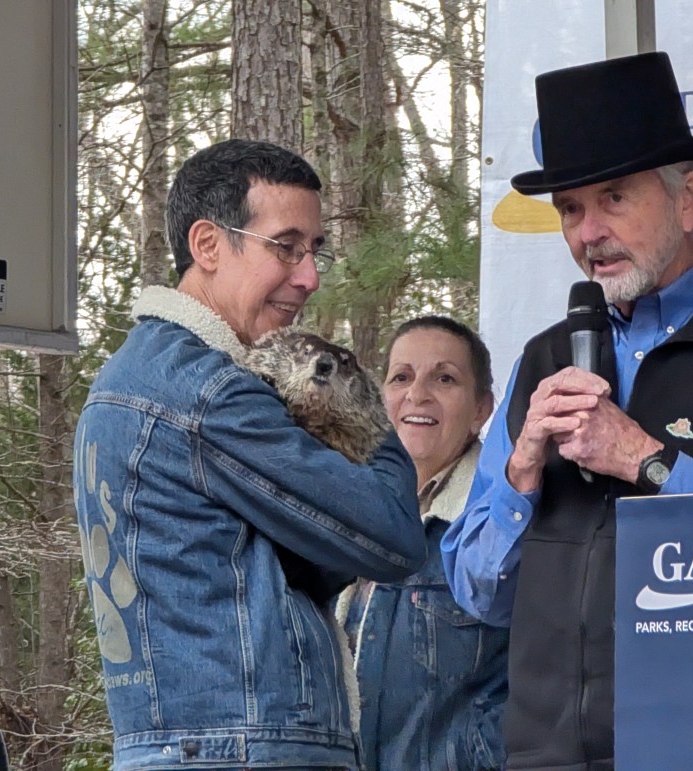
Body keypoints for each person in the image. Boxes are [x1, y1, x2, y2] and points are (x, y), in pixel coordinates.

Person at [441, 52, 693, 769]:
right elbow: (481, 595)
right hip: (550, 756)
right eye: (570, 209)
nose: (588, 233)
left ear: (688, 198)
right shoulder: (544, 359)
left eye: (614, 198)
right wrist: (520, 473)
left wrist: (647, 461)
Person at [72, 139, 426, 770]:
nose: (309, 276)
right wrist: (369, 414)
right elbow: (391, 535)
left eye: (315, 251)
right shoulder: (208, 394)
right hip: (240, 750)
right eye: (285, 247)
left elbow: (301, 569)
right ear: (208, 245)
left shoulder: (130, 379)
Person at [336, 316, 509, 770]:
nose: (417, 394)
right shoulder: (341, 509)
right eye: (401, 377)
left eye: (444, 378)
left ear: (481, 409)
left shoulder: (500, 523)